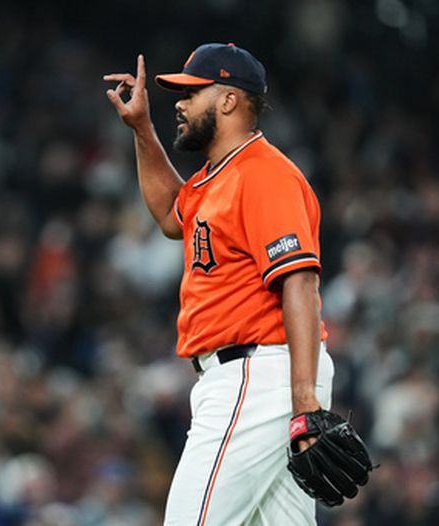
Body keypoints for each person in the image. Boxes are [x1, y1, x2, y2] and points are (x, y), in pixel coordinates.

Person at [104, 43, 334, 525]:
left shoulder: (265, 174)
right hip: (250, 376)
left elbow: (300, 283)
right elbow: (172, 215)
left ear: (229, 101)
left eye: (192, 93)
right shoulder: (215, 178)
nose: (180, 104)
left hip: (257, 373)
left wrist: (304, 400)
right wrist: (142, 130)